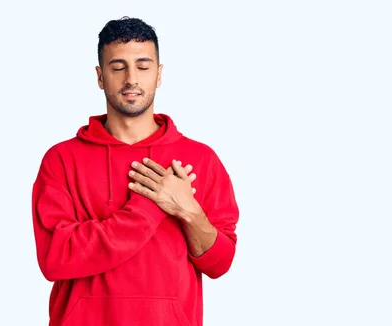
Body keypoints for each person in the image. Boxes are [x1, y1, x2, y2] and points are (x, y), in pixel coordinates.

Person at [31, 16, 239, 326]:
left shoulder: (200, 158)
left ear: (159, 74)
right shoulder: (61, 159)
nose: (131, 79)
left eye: (143, 67)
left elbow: (219, 263)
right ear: (100, 76)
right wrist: (150, 206)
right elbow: (55, 259)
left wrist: (190, 212)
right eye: (118, 68)